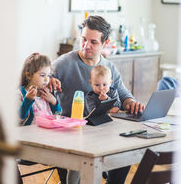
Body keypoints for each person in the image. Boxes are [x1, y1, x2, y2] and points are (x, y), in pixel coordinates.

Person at [53, 15, 145, 184]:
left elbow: (124, 95)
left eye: (93, 42)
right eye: (83, 39)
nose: (86, 46)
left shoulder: (108, 68)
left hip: (102, 132)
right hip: (72, 135)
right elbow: (40, 81)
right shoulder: (63, 64)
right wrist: (47, 81)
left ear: (105, 43)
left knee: (125, 150)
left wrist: (131, 104)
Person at [17, 52, 64, 183]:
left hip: (50, 142)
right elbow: (18, 118)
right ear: (28, 75)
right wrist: (27, 101)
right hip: (30, 146)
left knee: (72, 155)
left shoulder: (46, 93)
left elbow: (58, 116)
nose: (47, 80)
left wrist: (54, 102)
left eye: (48, 75)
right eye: (42, 75)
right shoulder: (20, 94)